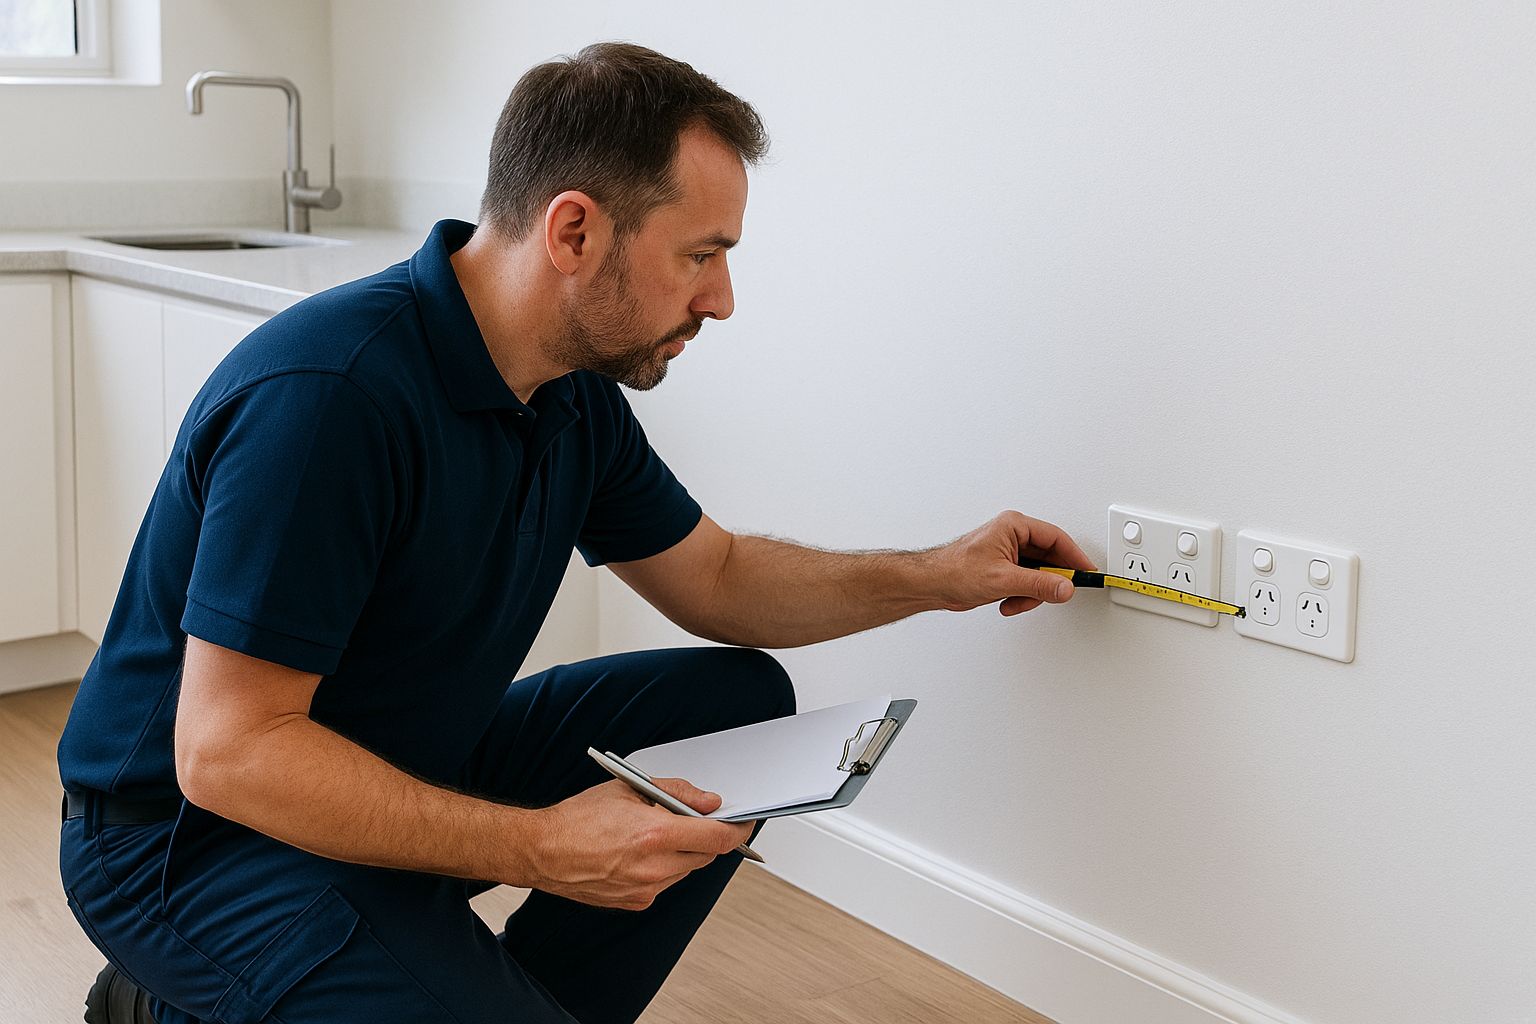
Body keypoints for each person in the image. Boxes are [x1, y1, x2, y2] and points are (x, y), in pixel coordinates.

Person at [57, 42, 1095, 1024]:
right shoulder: (331, 398)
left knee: (738, 706)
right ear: (573, 232)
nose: (722, 300)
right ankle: (160, 1001)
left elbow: (720, 576)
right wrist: (545, 846)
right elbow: (228, 752)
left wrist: (940, 573)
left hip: (399, 753)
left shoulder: (568, 396)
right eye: (702, 254)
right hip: (188, 844)